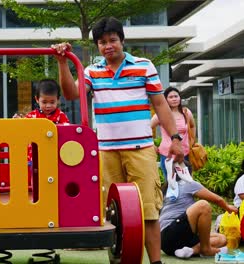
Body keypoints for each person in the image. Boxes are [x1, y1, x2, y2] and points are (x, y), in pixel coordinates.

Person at [51, 16, 184, 264]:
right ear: (97, 46)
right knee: (113, 213)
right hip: (106, 152)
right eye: (102, 42)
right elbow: (71, 94)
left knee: (148, 211)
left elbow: (160, 105)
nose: (108, 45)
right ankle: (120, 259)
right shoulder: (91, 71)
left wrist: (175, 138)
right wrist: (61, 63)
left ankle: (155, 262)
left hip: (140, 149)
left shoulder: (144, 66)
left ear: (122, 40)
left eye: (112, 40)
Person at [159, 176, 236, 259]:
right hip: (170, 233)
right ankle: (206, 250)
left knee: (222, 238)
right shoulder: (187, 183)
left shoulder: (166, 188)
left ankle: (190, 251)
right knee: (203, 205)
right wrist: (228, 208)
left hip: (168, 244)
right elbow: (217, 200)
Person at [151, 87, 195, 177]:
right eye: (171, 97)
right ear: (166, 100)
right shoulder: (161, 114)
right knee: (171, 184)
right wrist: (152, 144)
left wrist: (192, 141)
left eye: (176, 96)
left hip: (185, 153)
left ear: (180, 98)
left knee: (186, 183)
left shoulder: (186, 112)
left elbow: (192, 126)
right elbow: (148, 128)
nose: (174, 99)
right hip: (167, 154)